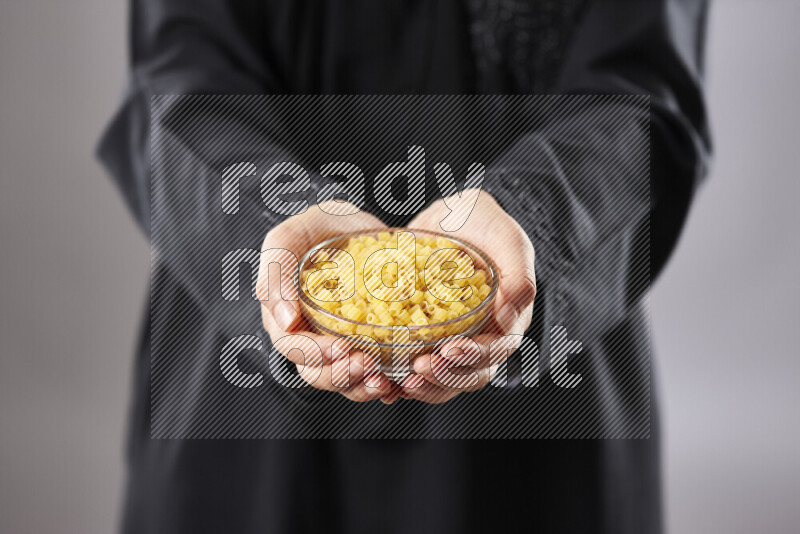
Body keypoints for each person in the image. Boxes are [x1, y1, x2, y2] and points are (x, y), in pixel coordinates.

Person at [98, 0, 711, 532]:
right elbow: (177, 78)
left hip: (533, 368)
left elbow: (645, 91)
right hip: (245, 386)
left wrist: (535, 218)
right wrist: (265, 223)